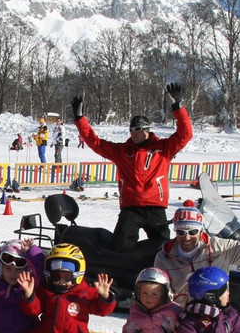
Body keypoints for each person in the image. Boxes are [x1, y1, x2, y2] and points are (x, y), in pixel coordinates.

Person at [72, 83, 192, 251]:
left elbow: (185, 134)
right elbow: (95, 142)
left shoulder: (163, 149)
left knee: (163, 248)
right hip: (131, 207)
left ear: (147, 130)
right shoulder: (122, 151)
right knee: (120, 248)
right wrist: (80, 119)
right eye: (131, 130)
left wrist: (178, 107)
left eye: (137, 129)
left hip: (155, 207)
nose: (133, 133)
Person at [153, 197, 240, 308]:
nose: (187, 237)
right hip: (183, 315)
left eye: (192, 232)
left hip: (216, 310)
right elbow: (163, 291)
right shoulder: (164, 257)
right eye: (181, 232)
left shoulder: (220, 248)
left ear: (201, 230)